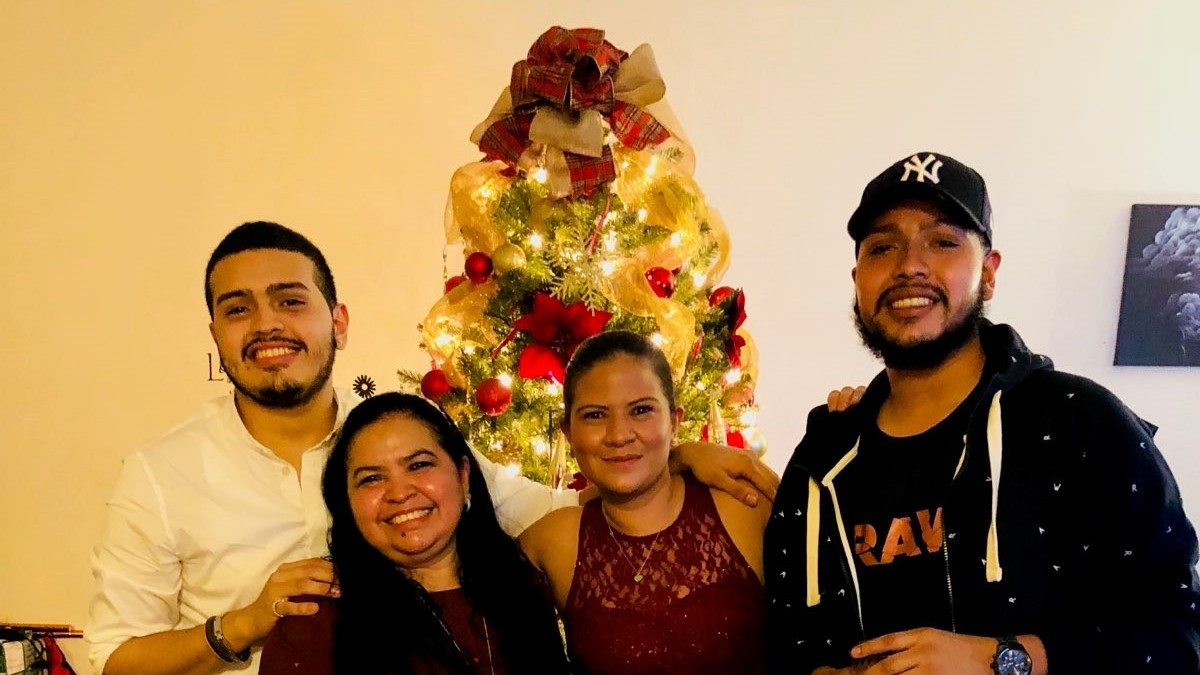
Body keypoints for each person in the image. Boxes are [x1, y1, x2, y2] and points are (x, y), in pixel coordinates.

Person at [87, 221, 779, 675]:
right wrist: (240, 624)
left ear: (338, 321)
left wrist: (679, 453)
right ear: (215, 332)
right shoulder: (160, 474)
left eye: (289, 300)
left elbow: (589, 488)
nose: (267, 324)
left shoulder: (409, 439)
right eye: (238, 307)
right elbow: (113, 658)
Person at [765, 152, 1200, 675]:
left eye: (943, 242)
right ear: (858, 279)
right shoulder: (822, 459)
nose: (909, 266)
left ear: (988, 274)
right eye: (884, 246)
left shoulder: (1080, 424)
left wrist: (1000, 659)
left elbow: (1179, 635)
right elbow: (787, 643)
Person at [259, 392, 570, 674]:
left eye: (419, 465)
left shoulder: (522, 583)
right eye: (371, 479)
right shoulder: (315, 616)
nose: (399, 492)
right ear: (347, 503)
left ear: (463, 476)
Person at [521, 330, 772, 675]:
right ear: (568, 432)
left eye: (641, 410)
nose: (619, 435)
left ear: (675, 421)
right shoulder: (552, 543)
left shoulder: (743, 506)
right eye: (594, 415)